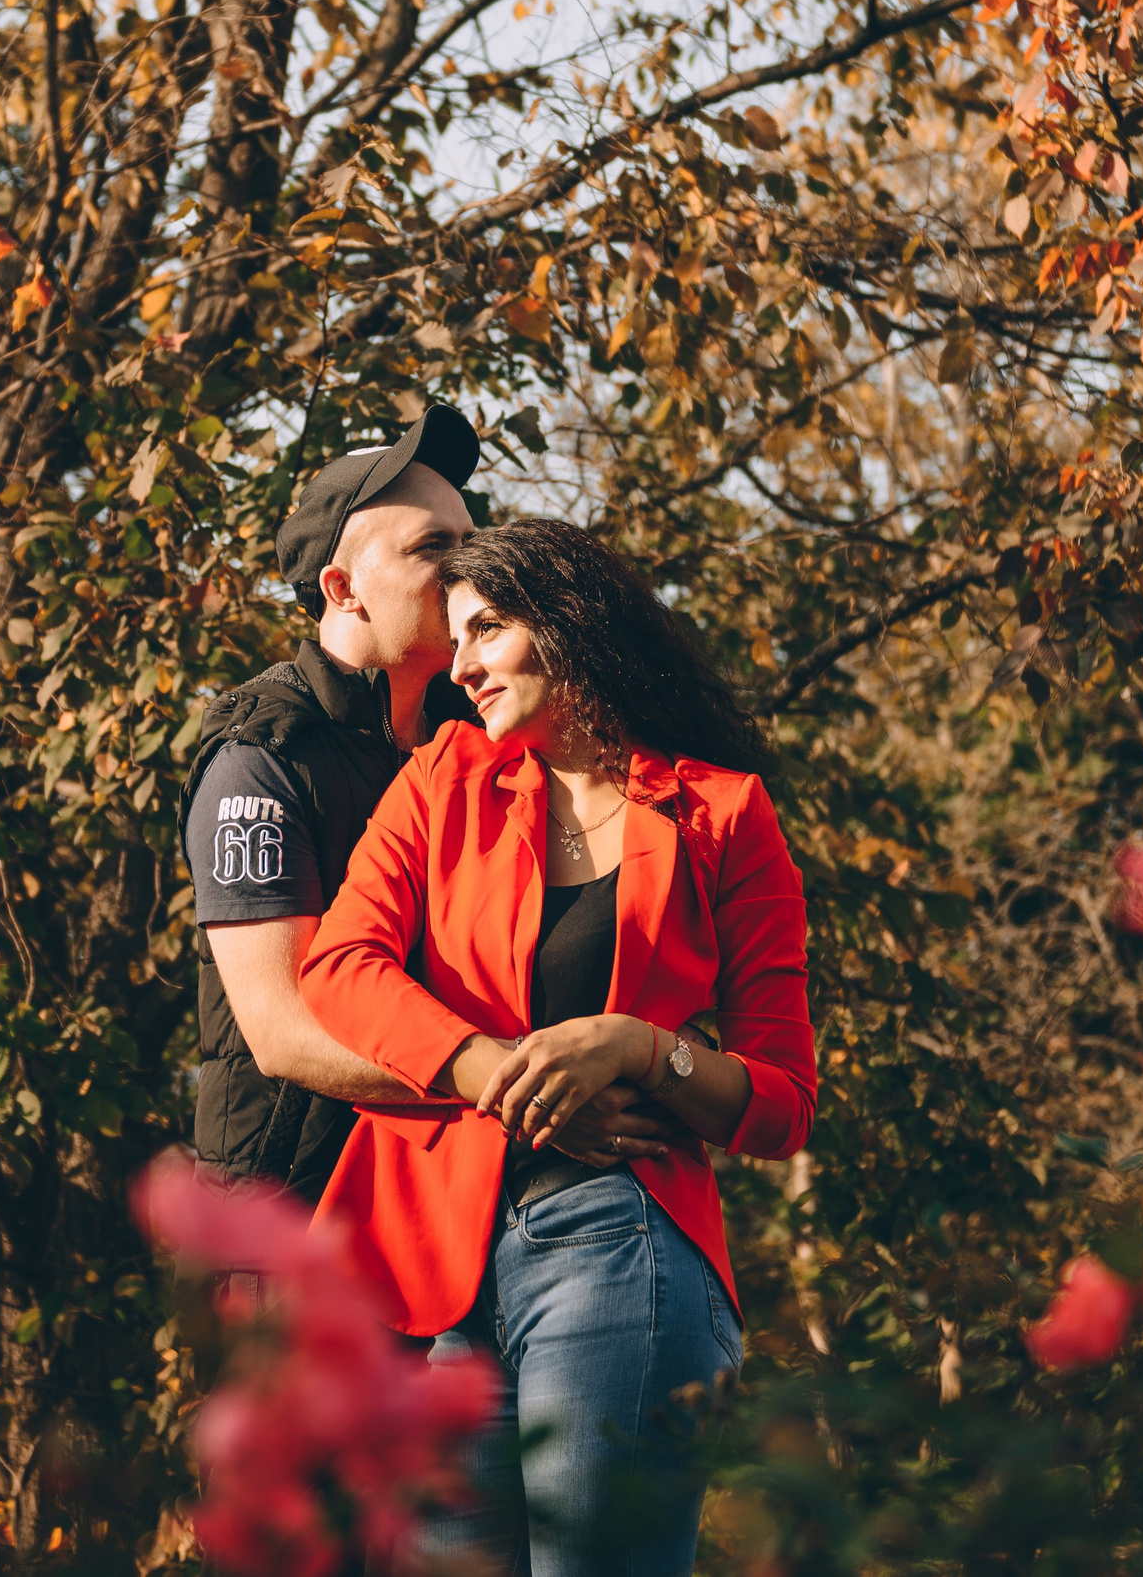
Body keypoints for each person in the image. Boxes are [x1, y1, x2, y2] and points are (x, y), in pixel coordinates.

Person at [298, 518, 817, 1577]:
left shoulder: (725, 814)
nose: (463, 667)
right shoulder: (446, 776)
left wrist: (638, 1045)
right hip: (436, 1275)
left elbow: (782, 1099)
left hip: (618, 1244)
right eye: (451, 641)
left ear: (570, 623)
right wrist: (493, 1072)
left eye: (485, 630)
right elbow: (339, 965)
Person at [182, 411, 688, 1204]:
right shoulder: (262, 756)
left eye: (470, 540)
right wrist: (522, 1092)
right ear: (341, 588)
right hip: (286, 1221)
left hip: (445, 1214)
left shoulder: (490, 739)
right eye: (433, 549)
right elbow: (281, 1034)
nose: (468, 570)